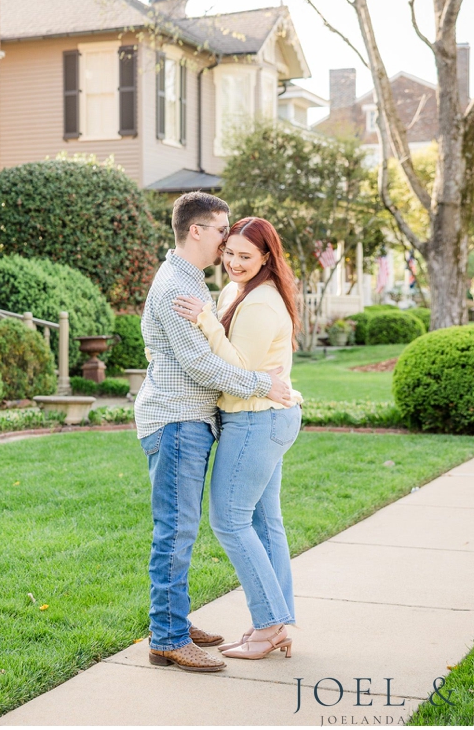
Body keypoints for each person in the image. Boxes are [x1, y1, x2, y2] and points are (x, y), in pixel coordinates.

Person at [135, 192, 295, 674]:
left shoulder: (192, 282)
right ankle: (167, 637)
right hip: (179, 420)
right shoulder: (175, 288)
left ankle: (173, 621)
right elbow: (202, 364)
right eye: (223, 231)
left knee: (187, 526)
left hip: (191, 418)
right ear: (197, 231)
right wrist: (263, 383)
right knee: (177, 530)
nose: (228, 241)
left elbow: (161, 348)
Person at [171, 216, 303, 661]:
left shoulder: (263, 302)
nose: (233, 262)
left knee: (229, 521)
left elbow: (243, 370)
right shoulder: (235, 291)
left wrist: (206, 321)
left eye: (246, 256)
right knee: (265, 524)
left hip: (256, 420)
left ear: (267, 257)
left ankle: (269, 625)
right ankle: (275, 623)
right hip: (262, 417)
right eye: (229, 252)